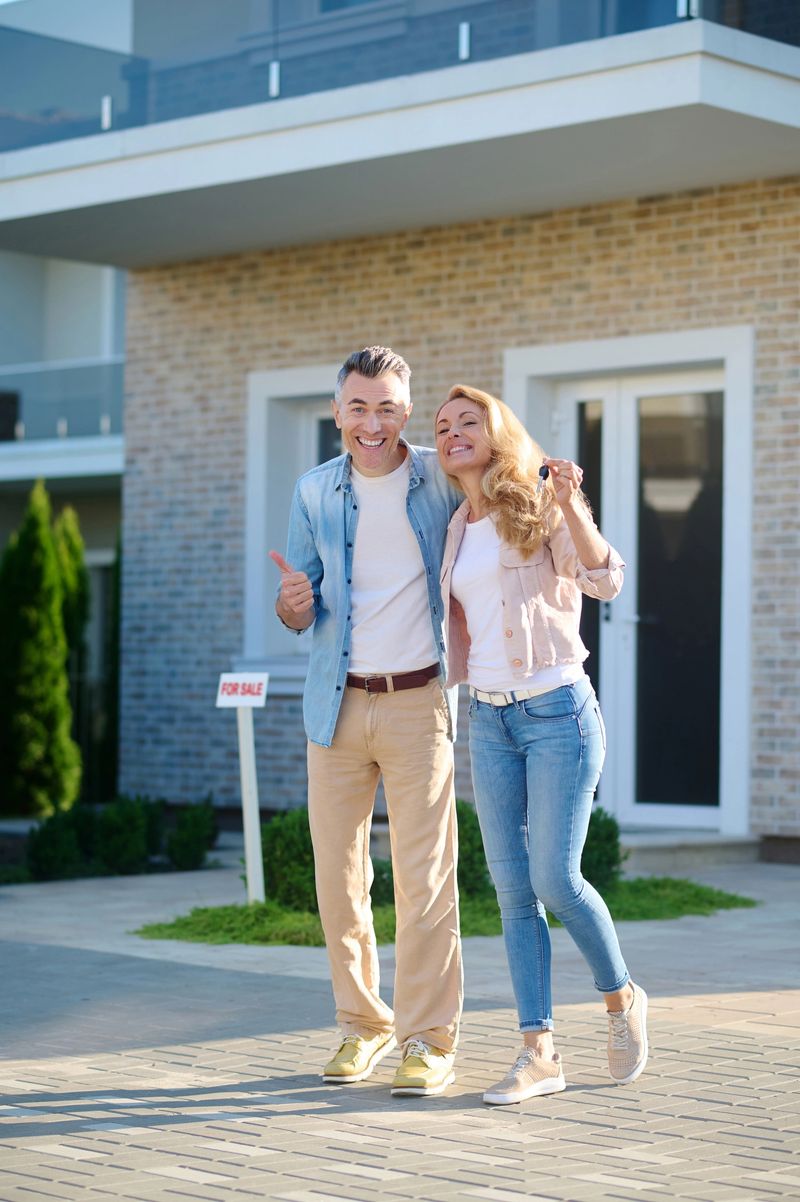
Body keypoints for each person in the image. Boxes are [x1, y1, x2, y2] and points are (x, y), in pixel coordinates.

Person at [434, 383, 648, 1106]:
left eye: (470, 421)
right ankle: (539, 1052)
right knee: (513, 892)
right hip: (488, 721)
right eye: (444, 426)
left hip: (558, 712)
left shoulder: (539, 504)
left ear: (498, 435)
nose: (454, 432)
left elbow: (606, 579)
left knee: (555, 878)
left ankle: (620, 999)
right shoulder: (455, 526)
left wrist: (571, 502)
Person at [269, 346, 462, 1097]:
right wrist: (292, 608)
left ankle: (429, 1039)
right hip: (336, 705)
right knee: (339, 879)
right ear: (338, 411)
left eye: (386, 407)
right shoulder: (315, 490)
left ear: (405, 412)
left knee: (426, 880)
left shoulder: (440, 481)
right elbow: (301, 597)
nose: (371, 422)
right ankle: (363, 1026)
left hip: (419, 703)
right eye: (358, 407)